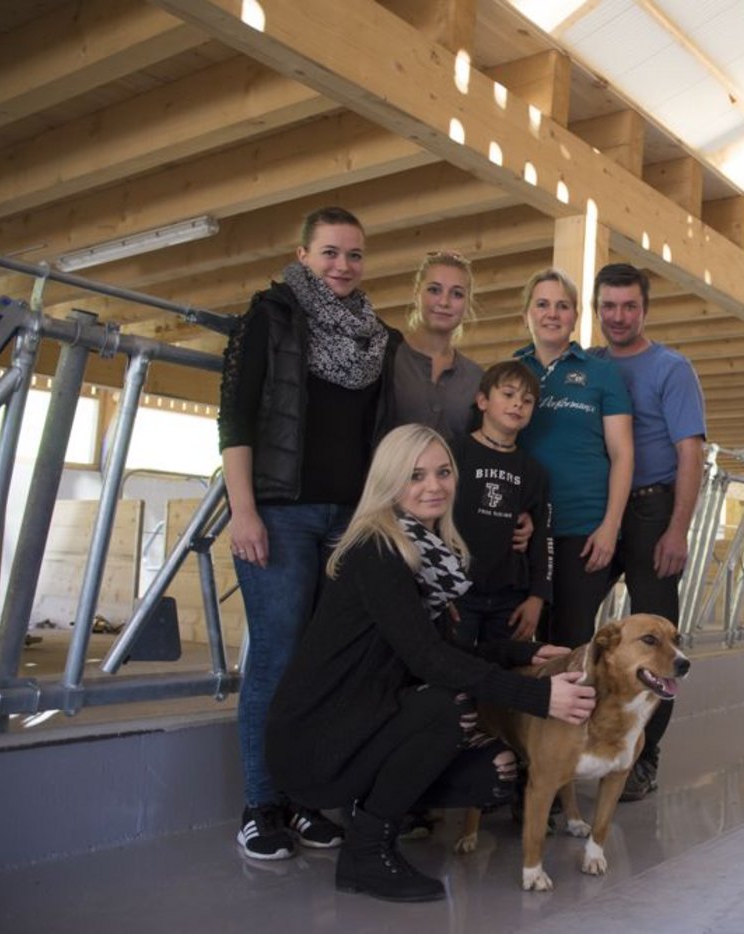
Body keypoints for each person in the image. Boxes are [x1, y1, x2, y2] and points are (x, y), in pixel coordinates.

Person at [264, 424, 595, 903]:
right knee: (444, 707)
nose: (433, 486)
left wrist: (521, 653)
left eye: (443, 472)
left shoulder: (426, 556)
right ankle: (365, 854)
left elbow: (439, 651)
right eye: (415, 476)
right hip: (316, 741)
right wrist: (539, 697)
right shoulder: (376, 550)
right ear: (388, 484)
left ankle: (372, 811)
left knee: (496, 771)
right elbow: (428, 659)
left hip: (364, 721)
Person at [219, 206, 398, 860]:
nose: (342, 265)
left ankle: (300, 800)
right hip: (279, 513)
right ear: (303, 255)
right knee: (276, 653)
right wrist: (243, 510)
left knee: (323, 663)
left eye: (353, 254)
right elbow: (236, 419)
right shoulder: (269, 317)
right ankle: (261, 804)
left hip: (345, 522)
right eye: (329, 252)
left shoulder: (378, 336)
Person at [590, 262, 707, 802]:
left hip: (653, 510)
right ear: (597, 309)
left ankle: (644, 756)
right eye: (609, 306)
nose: (618, 316)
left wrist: (677, 529)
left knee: (659, 645)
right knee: (567, 621)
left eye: (629, 306)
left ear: (645, 309)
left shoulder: (671, 368)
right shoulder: (586, 365)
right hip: (596, 511)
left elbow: (691, 451)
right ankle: (568, 743)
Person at [514, 268, 634, 649]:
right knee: (519, 638)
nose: (552, 313)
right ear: (526, 314)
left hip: (582, 528)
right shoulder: (511, 374)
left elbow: (622, 452)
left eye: (563, 306)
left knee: (568, 639)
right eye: (543, 304)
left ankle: (569, 712)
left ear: (575, 317)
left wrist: (610, 527)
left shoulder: (601, 373)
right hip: (524, 529)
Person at [449, 360, 552, 646]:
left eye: (527, 400)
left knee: (504, 676)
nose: (518, 404)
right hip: (457, 592)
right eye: (508, 394)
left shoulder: (534, 472)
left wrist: (537, 597)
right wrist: (435, 588)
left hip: (509, 599)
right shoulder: (452, 453)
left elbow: (543, 536)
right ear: (482, 401)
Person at [388, 251, 484, 445]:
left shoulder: (477, 377)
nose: (444, 302)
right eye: (434, 290)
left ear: (467, 303)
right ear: (417, 294)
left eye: (457, 294)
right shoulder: (387, 357)